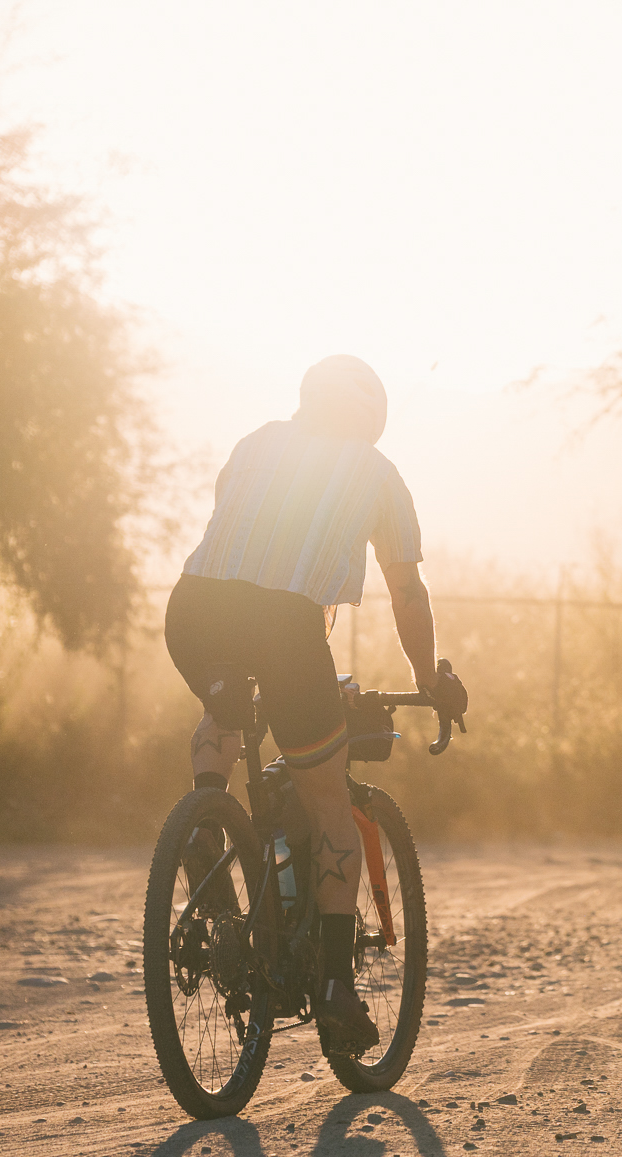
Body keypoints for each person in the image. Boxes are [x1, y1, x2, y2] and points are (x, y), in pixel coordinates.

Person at [163, 355, 468, 1052]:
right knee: (331, 802)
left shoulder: (255, 443)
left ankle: (205, 823)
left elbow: (237, 547)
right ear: (369, 419)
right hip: (282, 625)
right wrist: (429, 677)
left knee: (227, 705)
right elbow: (407, 592)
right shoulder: (376, 473)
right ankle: (333, 984)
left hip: (193, 611)